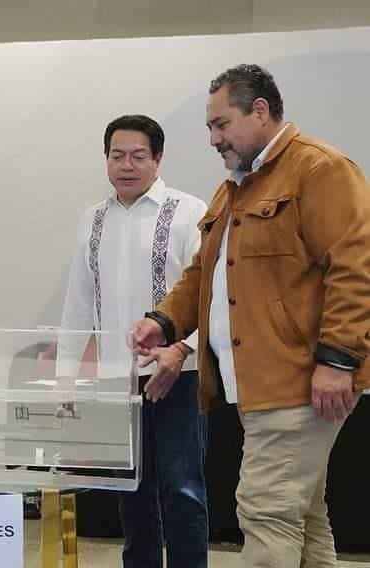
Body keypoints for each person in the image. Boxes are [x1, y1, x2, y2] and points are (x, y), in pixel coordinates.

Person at [131, 64, 370, 568]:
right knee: (301, 518)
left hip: (300, 382)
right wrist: (164, 322)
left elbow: (356, 269)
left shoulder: (319, 169)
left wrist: (340, 360)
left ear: (260, 110)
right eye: (210, 128)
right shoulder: (235, 187)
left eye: (222, 124)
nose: (214, 138)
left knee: (265, 512)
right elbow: (202, 276)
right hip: (259, 387)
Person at [61, 115, 209, 568]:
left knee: (183, 490)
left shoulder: (190, 211)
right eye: (116, 155)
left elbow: (211, 299)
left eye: (138, 156)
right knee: (130, 492)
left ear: (158, 158)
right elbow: (79, 302)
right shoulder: (93, 218)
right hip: (115, 382)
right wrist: (67, 377)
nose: (127, 165)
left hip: (178, 376)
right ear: (106, 159)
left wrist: (184, 349)